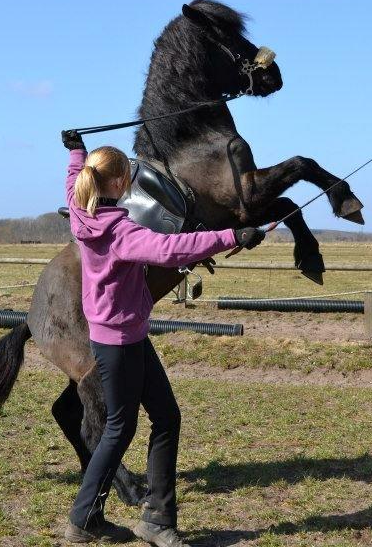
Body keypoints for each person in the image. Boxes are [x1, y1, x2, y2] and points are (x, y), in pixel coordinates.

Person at [60, 129, 264, 546]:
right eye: (129, 174)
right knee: (119, 429)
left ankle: (156, 518)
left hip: (122, 334)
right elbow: (171, 249)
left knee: (166, 417)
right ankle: (84, 520)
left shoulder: (81, 209)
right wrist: (231, 236)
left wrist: (75, 150)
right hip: (120, 340)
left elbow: (73, 179)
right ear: (119, 184)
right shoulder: (121, 233)